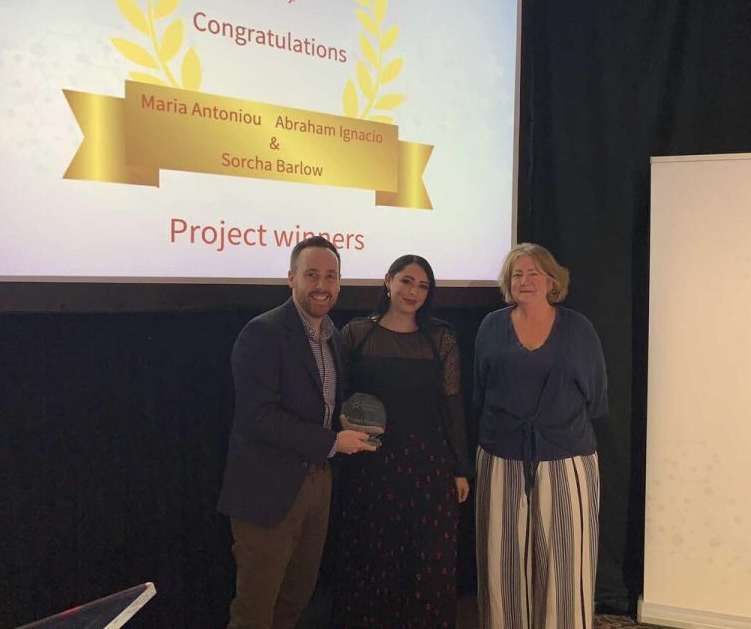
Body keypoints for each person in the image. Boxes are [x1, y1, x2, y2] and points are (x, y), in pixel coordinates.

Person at [217, 236, 376, 629]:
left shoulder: (333, 337)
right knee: (255, 610)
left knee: (296, 597)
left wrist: (346, 426)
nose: (322, 285)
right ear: (291, 278)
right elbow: (259, 416)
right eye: (311, 275)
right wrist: (332, 441)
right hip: (267, 489)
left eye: (330, 276)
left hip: (318, 481)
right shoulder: (262, 332)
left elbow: (322, 407)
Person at [332, 255, 473, 629]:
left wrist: (460, 468)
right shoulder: (355, 334)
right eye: (407, 281)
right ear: (388, 281)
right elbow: (338, 398)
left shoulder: (440, 338)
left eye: (423, 286)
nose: (414, 292)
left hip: (428, 467)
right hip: (370, 464)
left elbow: (452, 406)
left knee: (426, 558)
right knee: (372, 555)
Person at [474, 243, 609, 629]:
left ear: (552, 281)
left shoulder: (579, 329)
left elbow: (596, 397)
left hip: (566, 458)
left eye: (534, 273)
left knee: (565, 564)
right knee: (501, 564)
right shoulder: (491, 327)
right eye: (517, 274)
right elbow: (480, 391)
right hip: (501, 456)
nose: (525, 280)